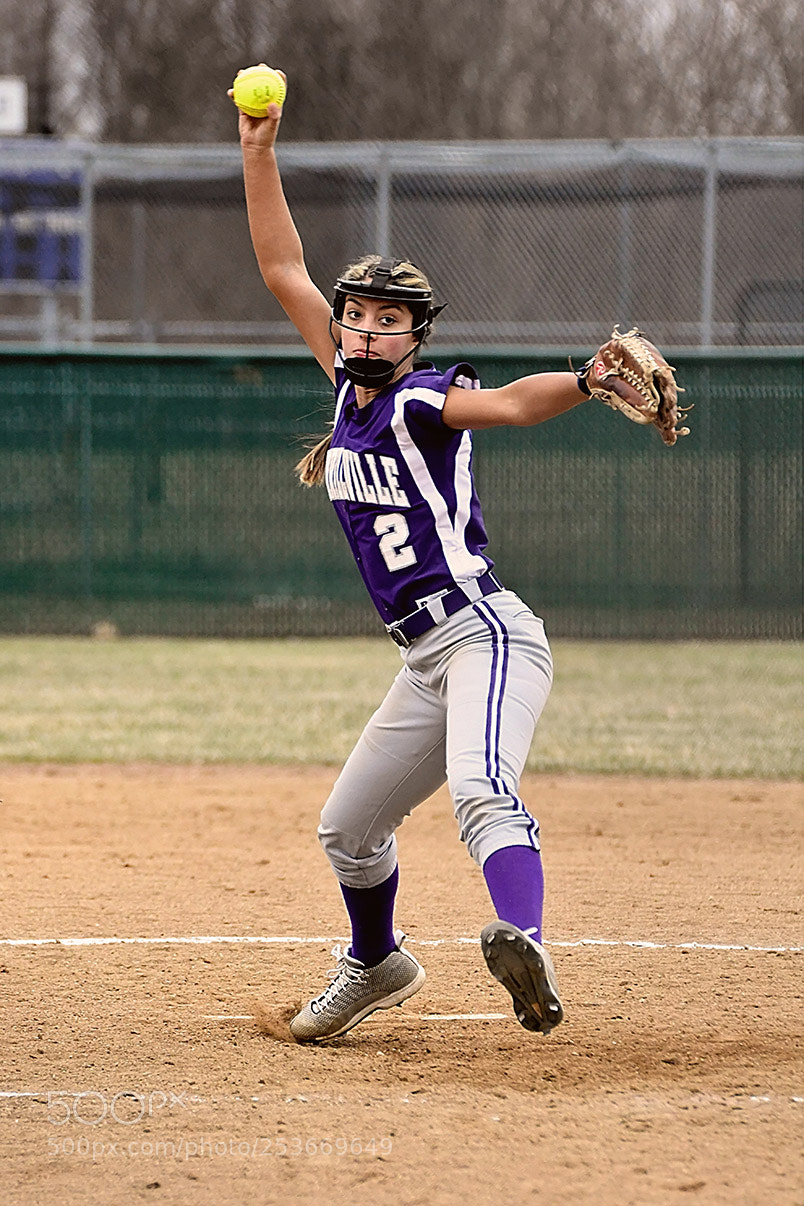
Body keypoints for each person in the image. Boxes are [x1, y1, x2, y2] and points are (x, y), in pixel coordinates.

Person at [234, 68, 597, 1044]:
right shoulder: (349, 390)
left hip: (484, 636)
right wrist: (258, 150)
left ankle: (523, 941)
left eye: (388, 319)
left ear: (415, 338)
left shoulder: (420, 400)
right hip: (422, 660)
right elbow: (282, 270)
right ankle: (376, 960)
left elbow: (516, 404)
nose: (363, 325)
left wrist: (589, 377)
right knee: (348, 830)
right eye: (357, 313)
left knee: (483, 789)